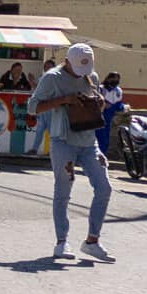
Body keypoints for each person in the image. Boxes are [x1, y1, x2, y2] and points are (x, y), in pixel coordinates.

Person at [28, 43, 114, 261]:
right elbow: (32, 107)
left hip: (88, 141)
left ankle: (92, 241)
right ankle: (62, 242)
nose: (82, 73)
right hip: (63, 140)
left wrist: (99, 103)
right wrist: (64, 100)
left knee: (104, 188)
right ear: (67, 61)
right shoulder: (52, 78)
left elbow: (95, 103)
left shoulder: (91, 76)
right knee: (63, 191)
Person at [96, 71, 127, 153]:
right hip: (100, 117)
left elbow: (118, 104)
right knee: (99, 139)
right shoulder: (101, 89)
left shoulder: (118, 91)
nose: (115, 80)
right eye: (113, 78)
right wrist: (104, 104)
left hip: (109, 118)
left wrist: (124, 107)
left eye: (117, 78)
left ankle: (103, 157)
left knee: (106, 140)